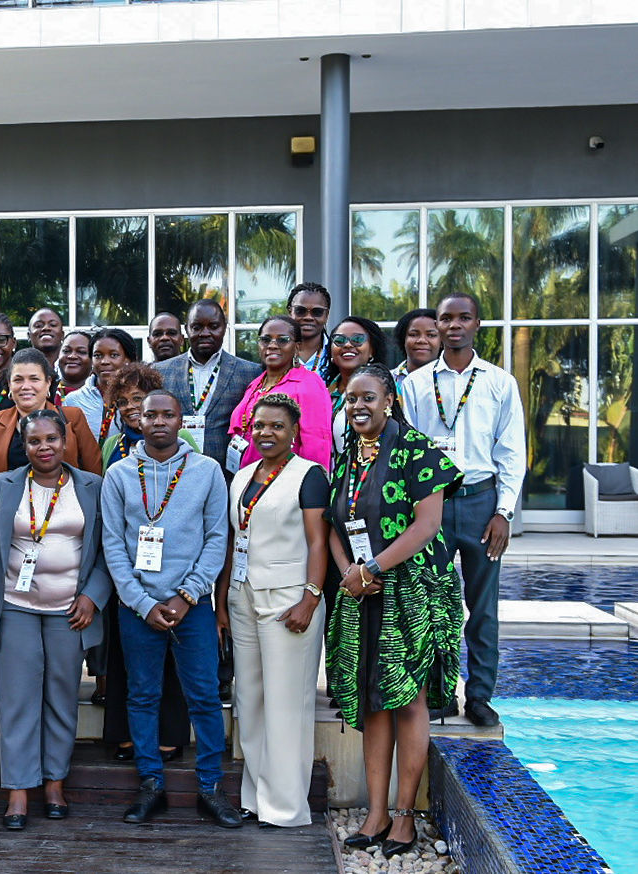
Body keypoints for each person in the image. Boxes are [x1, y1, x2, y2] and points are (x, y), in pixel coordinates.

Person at [328, 365, 463, 857]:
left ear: (390, 400)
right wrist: (350, 572)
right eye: (350, 398)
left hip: (413, 591)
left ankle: (404, 816)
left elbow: (427, 525)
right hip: (363, 592)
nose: (358, 406)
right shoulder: (346, 455)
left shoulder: (418, 451)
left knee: (408, 700)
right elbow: (332, 524)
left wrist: (371, 568)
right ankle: (375, 814)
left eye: (368, 397)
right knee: (371, 701)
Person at [101, 391, 239, 829]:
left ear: (182, 421)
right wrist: (142, 603)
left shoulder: (207, 472)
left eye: (168, 414)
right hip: (137, 607)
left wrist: (187, 595)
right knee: (142, 696)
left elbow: (218, 538)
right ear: (137, 420)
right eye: (150, 414)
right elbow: (112, 545)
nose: (159, 421)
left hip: (192, 606)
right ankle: (150, 783)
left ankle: (211, 787)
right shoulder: (119, 474)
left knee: (202, 697)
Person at [0, 410, 110, 830]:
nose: (44, 447)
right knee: (17, 702)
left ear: (66, 441)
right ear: (24, 445)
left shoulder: (92, 487)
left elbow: (106, 550)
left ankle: (54, 783)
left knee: (62, 698)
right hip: (14, 607)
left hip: (71, 611)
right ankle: (17, 791)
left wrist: (93, 596)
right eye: (35, 441)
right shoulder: (3, 485)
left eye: (52, 439)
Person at [399, 292, 526, 728]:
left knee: (483, 606)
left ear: (477, 325)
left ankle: (479, 696)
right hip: (432, 506)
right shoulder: (414, 385)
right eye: (445, 319)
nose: (453, 325)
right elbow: (411, 450)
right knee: (430, 602)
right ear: (436, 326)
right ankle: (436, 694)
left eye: (463, 318)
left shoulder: (498, 382)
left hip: (480, 503)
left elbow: (511, 452)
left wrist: (504, 512)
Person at [215, 392, 329, 828]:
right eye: (259, 425)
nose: (266, 433)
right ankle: (255, 795)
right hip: (243, 597)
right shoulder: (241, 477)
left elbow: (318, 541)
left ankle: (284, 807)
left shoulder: (309, 475)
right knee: (252, 701)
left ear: (294, 432)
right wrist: (223, 599)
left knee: (286, 705)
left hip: (289, 602)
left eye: (276, 426)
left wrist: (311, 595)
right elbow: (232, 541)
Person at [96, 361, 190, 763]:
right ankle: (126, 734)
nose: (134, 408)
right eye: (125, 401)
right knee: (124, 656)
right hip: (128, 569)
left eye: (141, 399)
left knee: (170, 656)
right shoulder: (112, 447)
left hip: (173, 568)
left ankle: (169, 734)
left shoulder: (183, 441)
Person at [156, 299, 258, 473]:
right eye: (197, 327)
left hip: (226, 474)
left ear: (224, 328)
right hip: (172, 470)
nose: (205, 333)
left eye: (213, 326)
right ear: (186, 329)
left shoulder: (249, 372)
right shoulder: (161, 371)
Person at [226, 315, 334, 472]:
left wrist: (310, 484)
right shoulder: (255, 384)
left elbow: (316, 443)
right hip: (247, 477)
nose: (272, 345)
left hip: (284, 481)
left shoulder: (308, 383)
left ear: (297, 347)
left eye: (282, 340)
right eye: (266, 339)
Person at [0, 349, 101, 478]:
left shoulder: (73, 418)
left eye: (34, 379)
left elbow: (93, 473)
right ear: (9, 384)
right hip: (7, 497)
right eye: (18, 380)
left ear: (48, 383)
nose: (26, 386)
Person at [327, 315, 391, 458]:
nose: (348, 345)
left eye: (357, 339)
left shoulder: (388, 388)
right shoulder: (324, 393)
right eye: (339, 340)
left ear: (372, 350)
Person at [65, 327, 134, 444]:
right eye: (98, 355)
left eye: (114, 355)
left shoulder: (142, 397)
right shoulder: (73, 400)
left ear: (128, 359)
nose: (104, 361)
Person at [288, 282, 333, 377]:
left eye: (317, 312)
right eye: (300, 310)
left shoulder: (336, 354)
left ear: (327, 315)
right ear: (290, 312)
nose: (308, 317)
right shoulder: (277, 350)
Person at [391, 308, 441, 382]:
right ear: (403, 339)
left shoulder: (454, 381)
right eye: (413, 335)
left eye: (431, 335)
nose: (421, 340)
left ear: (442, 341)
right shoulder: (385, 380)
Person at [54, 330, 92, 402]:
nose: (72, 356)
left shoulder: (103, 396)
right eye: (66, 351)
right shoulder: (45, 392)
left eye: (81, 352)